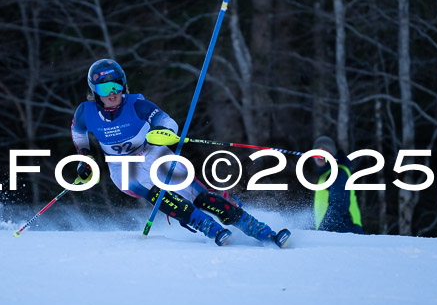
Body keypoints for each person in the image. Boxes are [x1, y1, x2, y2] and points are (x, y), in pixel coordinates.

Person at [70, 58, 290, 247]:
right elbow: (78, 132)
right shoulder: (86, 112)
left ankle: (260, 230)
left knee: (200, 197)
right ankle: (206, 226)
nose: (112, 94)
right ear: (94, 92)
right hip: (123, 167)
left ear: (124, 85)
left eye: (116, 86)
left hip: (153, 153)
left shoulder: (136, 104)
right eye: (104, 89)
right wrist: (85, 155)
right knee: (157, 194)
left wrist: (163, 132)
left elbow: (167, 122)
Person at [312, 135, 363, 234]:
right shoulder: (324, 175)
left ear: (332, 153)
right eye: (317, 150)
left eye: (324, 150)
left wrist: (323, 232)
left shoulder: (338, 172)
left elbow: (339, 207)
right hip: (333, 233)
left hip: (346, 231)